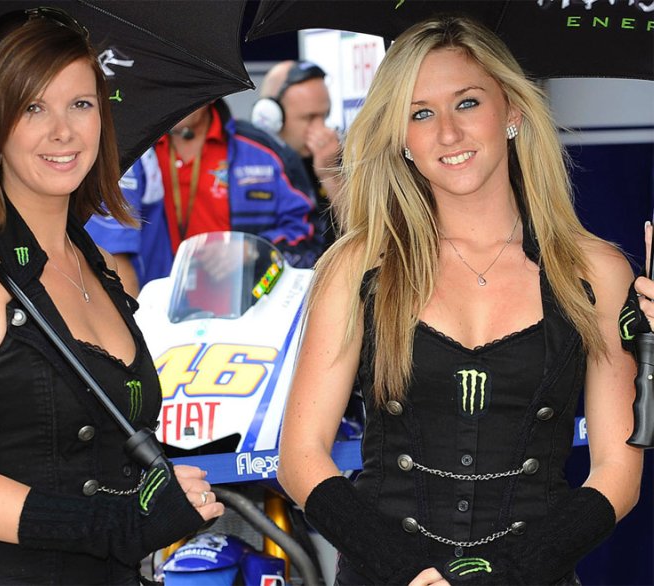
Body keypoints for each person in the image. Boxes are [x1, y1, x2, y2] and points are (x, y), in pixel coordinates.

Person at [276, 15, 643, 586]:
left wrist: (510, 573)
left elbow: (618, 470)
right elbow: (300, 456)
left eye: (467, 103)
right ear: (401, 137)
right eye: (420, 113)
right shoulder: (357, 266)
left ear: (512, 111)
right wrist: (406, 571)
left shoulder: (596, 271)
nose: (447, 133)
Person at [0, 8, 222, 584]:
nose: (63, 132)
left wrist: (158, 492)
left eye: (80, 104)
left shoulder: (98, 268)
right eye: (32, 108)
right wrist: (119, 524)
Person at [86, 99, 320, 293]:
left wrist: (252, 250)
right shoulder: (131, 153)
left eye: (186, 84)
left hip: (241, 306)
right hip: (158, 306)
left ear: (210, 90)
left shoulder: (264, 151)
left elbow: (310, 236)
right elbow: (109, 250)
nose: (179, 95)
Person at [254, 60, 343, 251]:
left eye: (324, 116)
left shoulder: (335, 157)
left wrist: (330, 175)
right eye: (309, 118)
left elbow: (363, 232)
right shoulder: (248, 165)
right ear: (271, 116)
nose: (321, 128)